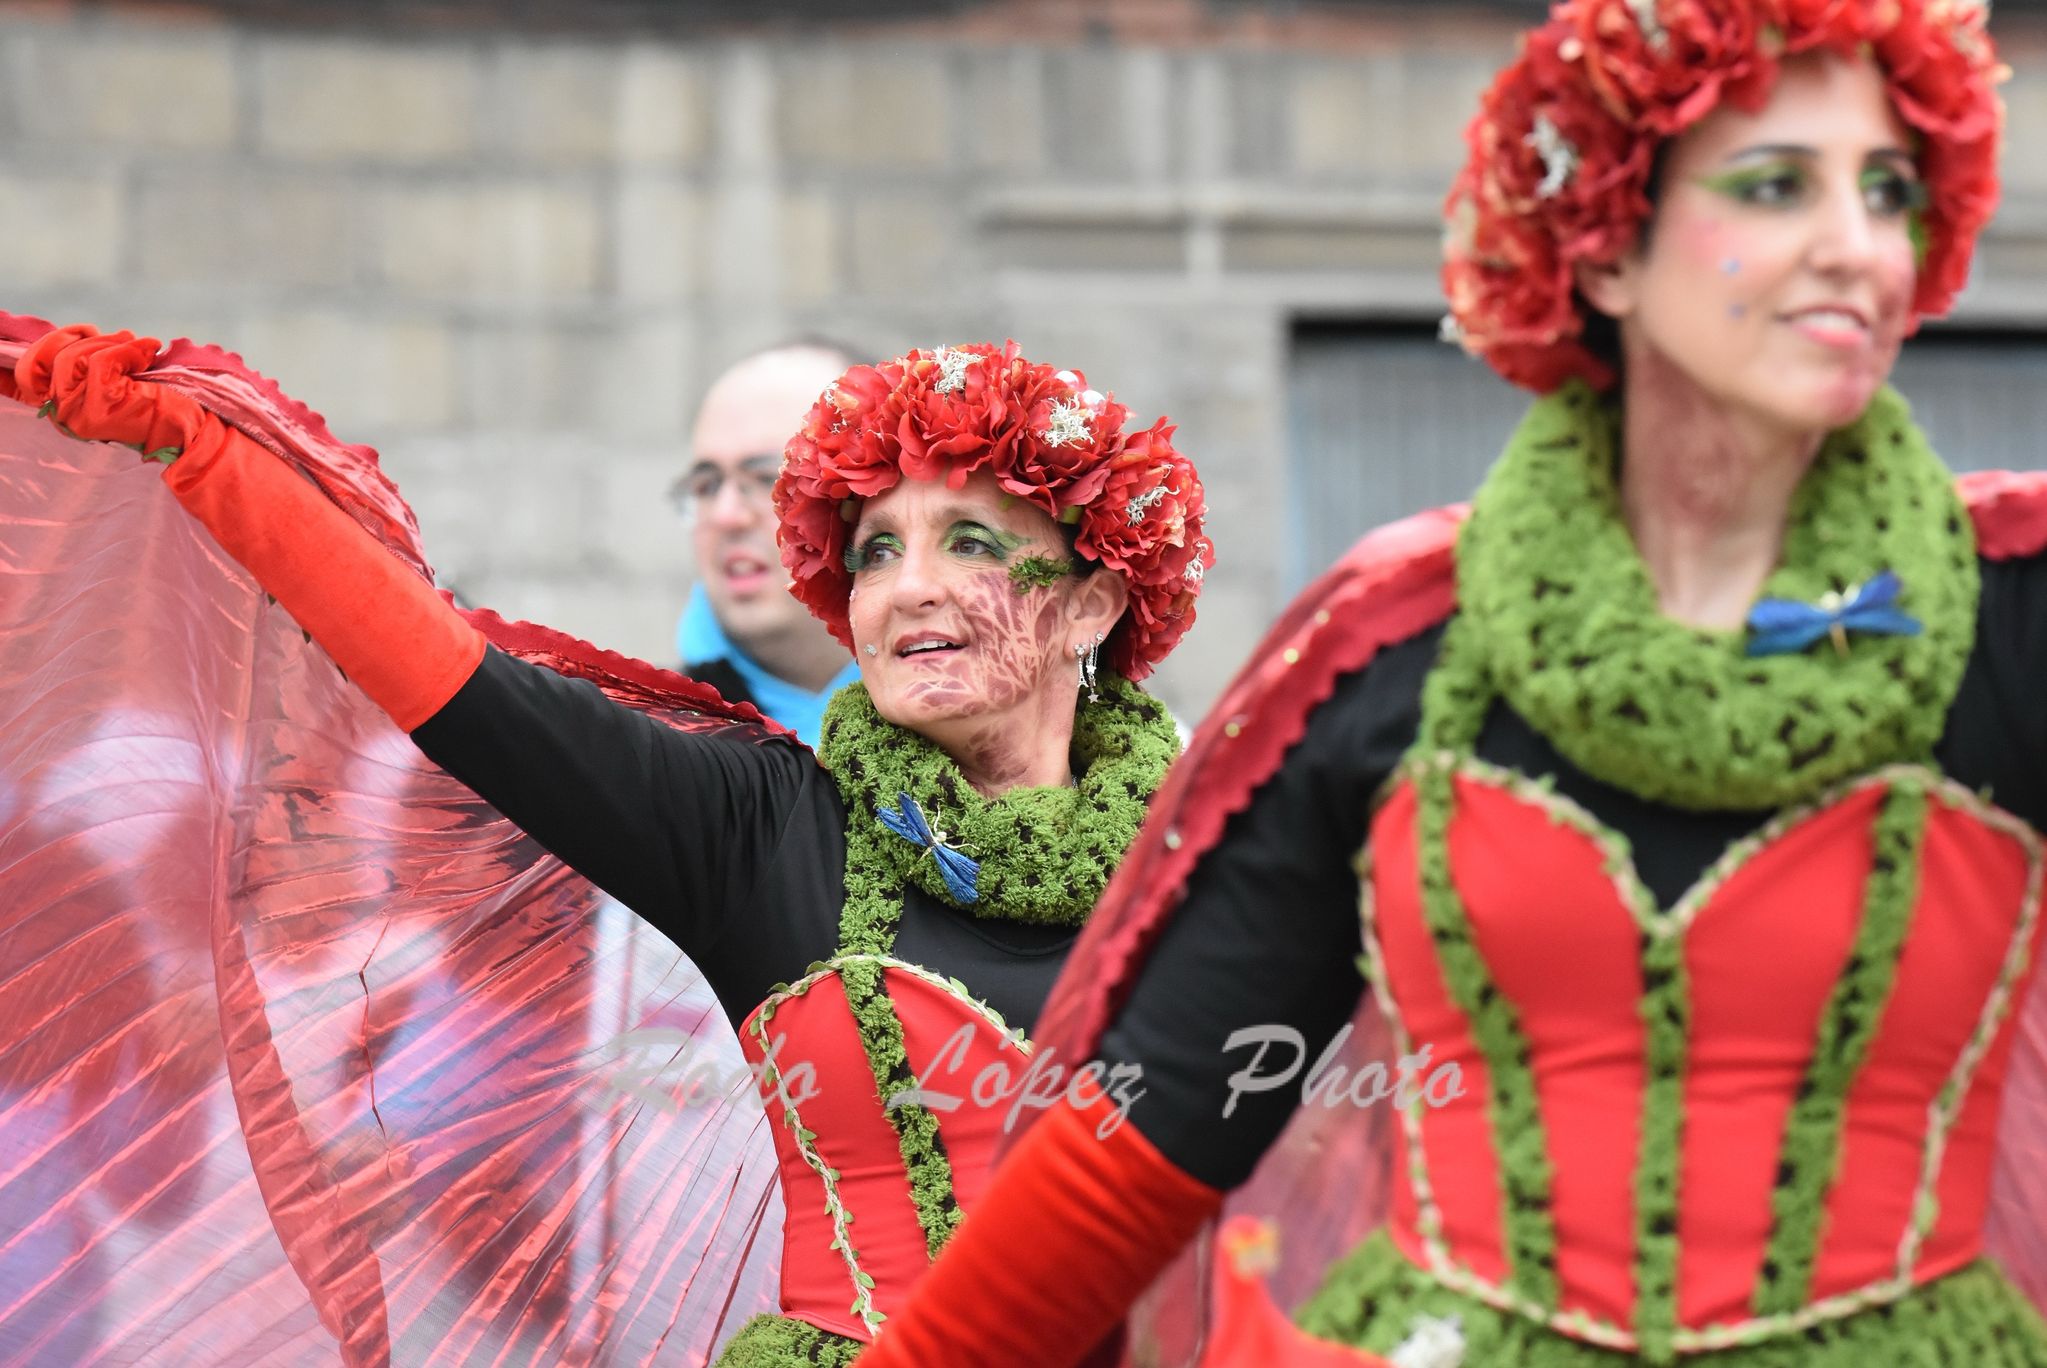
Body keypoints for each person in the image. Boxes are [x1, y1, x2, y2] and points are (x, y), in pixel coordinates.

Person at [854, 2, 2047, 1364]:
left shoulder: (2009, 617)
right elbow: (1137, 1145)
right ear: (1603, 251)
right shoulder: (1393, 650)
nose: (1856, 245)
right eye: (1774, 184)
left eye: (1886, 190)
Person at [1, 333, 1212, 1366]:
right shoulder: (763, 828)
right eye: (878, 549)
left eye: (970, 544)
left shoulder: (1216, 852)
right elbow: (452, 678)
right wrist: (205, 452)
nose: (905, 590)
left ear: (1092, 604)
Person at [675, 341, 865, 744]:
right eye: (706, 484)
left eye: (768, 479)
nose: (726, 515)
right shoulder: (648, 740)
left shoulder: (1000, 731)